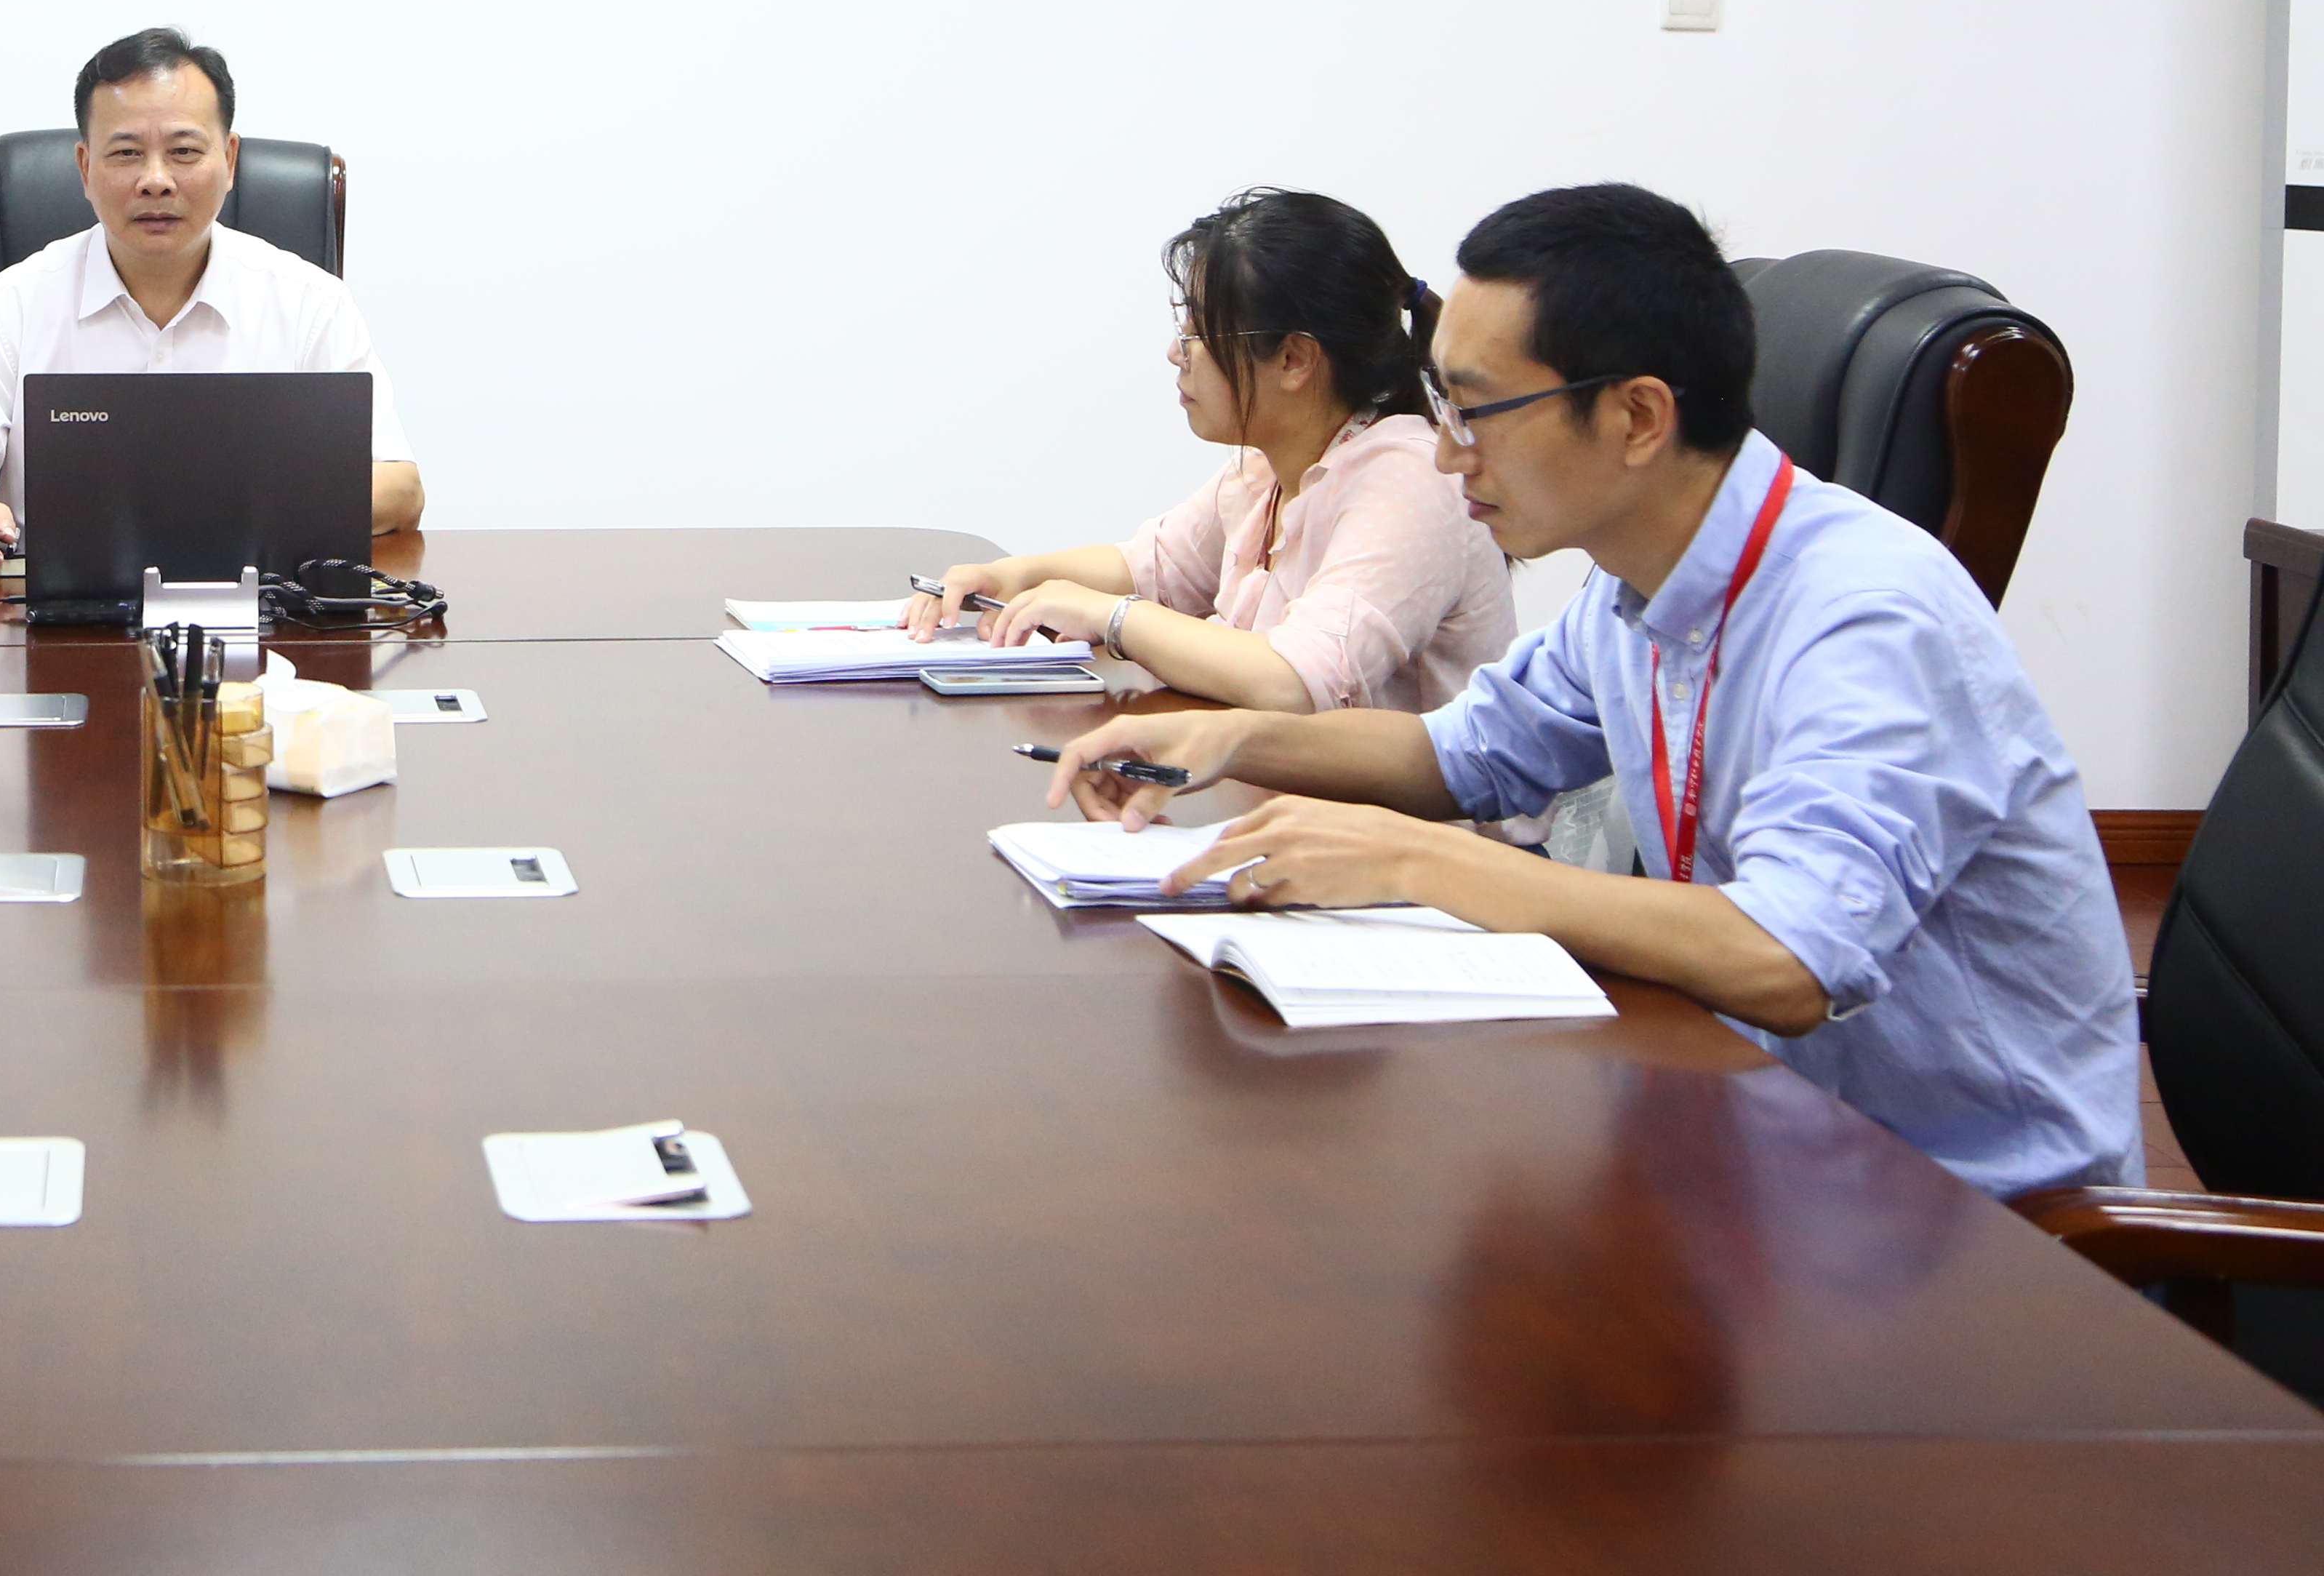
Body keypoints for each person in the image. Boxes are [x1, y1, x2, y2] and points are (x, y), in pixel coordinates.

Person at [1046, 182, 2137, 1201]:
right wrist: (1231, 741)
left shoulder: (1865, 614)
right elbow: (1462, 753)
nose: (1449, 459)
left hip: (1960, 1212)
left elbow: (1788, 956)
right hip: (1753, 1129)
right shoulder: (1635, 588)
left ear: (1637, 418)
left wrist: (1420, 861)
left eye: (1475, 413)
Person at [913, 188, 1512, 715]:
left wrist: (1110, 618)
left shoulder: (1410, 476)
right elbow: (1153, 568)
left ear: (1294, 359)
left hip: (1394, 812)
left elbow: (1298, 682)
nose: (1176, 353)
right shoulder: (1269, 468)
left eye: (1198, 333)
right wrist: (1014, 576)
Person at [0, 27, 420, 575]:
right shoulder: (11, 308)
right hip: (58, 613)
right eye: (127, 153)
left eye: (184, 152)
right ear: (85, 167)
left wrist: (225, 512)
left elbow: (401, 489)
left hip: (266, 612)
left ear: (230, 159)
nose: (156, 181)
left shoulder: (309, 304)